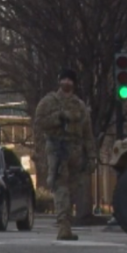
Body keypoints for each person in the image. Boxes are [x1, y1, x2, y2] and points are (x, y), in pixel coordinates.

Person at [34, 68, 95, 241]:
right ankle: (63, 225)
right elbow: (39, 123)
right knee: (60, 187)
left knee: (73, 189)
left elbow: (87, 133)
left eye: (70, 80)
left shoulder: (79, 105)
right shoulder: (49, 102)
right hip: (57, 149)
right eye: (64, 79)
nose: (67, 83)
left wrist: (91, 156)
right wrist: (59, 118)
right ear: (59, 81)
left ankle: (67, 222)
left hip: (75, 150)